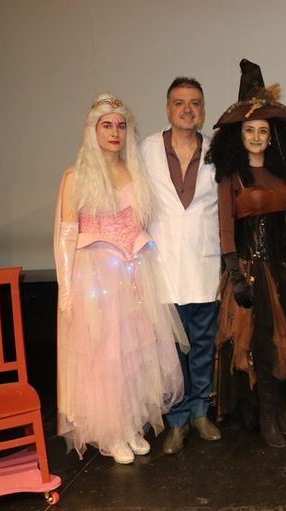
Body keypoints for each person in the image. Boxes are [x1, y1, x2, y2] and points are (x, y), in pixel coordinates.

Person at [55, 93, 186, 464]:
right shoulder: (76, 176)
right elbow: (66, 234)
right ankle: (110, 431)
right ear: (93, 130)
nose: (114, 132)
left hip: (133, 274)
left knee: (135, 353)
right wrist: (66, 288)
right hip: (96, 277)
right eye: (107, 125)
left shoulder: (134, 172)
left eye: (120, 125)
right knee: (105, 355)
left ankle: (129, 423)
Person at [207, 60, 286, 448]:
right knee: (260, 346)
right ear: (240, 136)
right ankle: (265, 418)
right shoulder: (230, 176)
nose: (256, 136)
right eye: (249, 130)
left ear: (272, 137)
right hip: (250, 269)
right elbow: (225, 228)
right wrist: (235, 274)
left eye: (263, 131)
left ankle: (276, 412)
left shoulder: (283, 173)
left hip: (284, 266)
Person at [139, 77, 222, 455]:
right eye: (179, 102)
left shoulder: (218, 150)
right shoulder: (147, 149)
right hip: (163, 267)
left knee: (202, 344)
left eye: (194, 103)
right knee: (171, 352)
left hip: (204, 265)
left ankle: (200, 413)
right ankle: (176, 420)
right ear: (168, 108)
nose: (187, 109)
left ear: (202, 109)